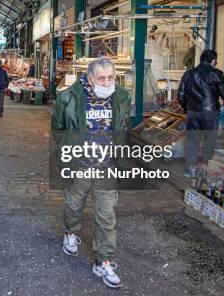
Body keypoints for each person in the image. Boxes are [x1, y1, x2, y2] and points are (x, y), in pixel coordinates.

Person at [51, 57, 130, 289]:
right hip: (80, 166)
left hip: (108, 167)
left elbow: (123, 128)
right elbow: (58, 129)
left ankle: (103, 260)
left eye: (110, 77)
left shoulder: (121, 97)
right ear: (89, 77)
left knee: (106, 215)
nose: (107, 82)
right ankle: (69, 232)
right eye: (101, 78)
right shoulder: (69, 97)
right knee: (74, 206)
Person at [178, 50, 224, 176]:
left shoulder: (188, 74)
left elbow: (181, 95)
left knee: (192, 140)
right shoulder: (216, 74)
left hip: (193, 112)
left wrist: (187, 108)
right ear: (213, 61)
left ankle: (190, 169)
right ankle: (206, 166)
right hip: (210, 112)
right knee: (210, 139)